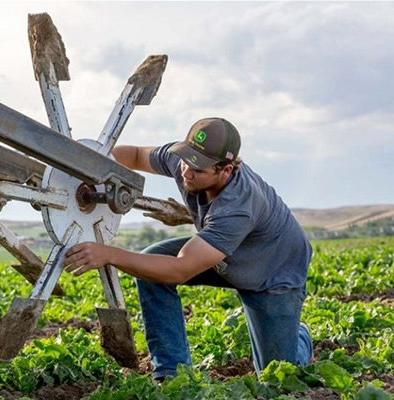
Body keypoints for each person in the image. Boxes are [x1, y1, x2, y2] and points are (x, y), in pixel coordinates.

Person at [63, 117, 313, 380]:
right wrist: (91, 164)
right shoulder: (185, 161)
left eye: (198, 169)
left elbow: (180, 269)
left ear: (226, 170)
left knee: (279, 377)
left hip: (273, 272)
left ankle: (299, 336)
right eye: (186, 159)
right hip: (224, 255)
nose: (186, 172)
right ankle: (171, 373)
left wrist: (110, 254)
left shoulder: (237, 207)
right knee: (152, 266)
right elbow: (135, 155)